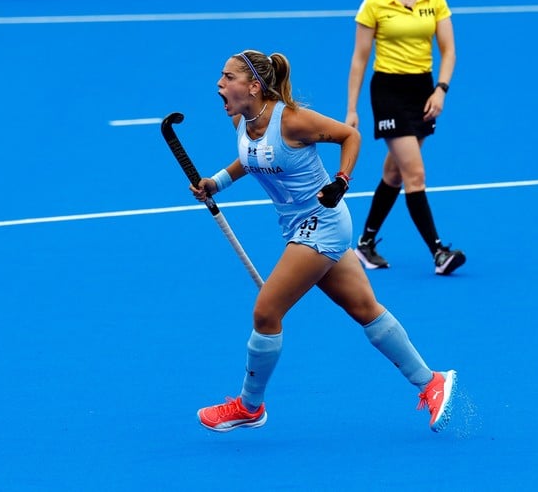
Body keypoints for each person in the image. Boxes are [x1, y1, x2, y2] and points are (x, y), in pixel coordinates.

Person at [189, 49, 457, 433]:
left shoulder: (292, 120)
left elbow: (350, 135)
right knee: (366, 309)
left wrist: (341, 180)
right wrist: (216, 183)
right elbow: (250, 160)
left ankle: (249, 406)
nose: (220, 83)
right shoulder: (245, 123)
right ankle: (431, 381)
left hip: (322, 224)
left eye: (227, 77)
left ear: (253, 86)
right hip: (300, 228)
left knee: (266, 312)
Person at [345, 0, 466, 275]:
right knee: (415, 173)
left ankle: (365, 245)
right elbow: (359, 60)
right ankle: (439, 252)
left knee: (394, 172)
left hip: (423, 90)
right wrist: (352, 109)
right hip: (389, 92)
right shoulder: (374, 3)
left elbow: (448, 50)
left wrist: (440, 89)